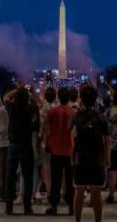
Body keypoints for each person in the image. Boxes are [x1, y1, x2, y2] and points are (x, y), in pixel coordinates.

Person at [71, 86, 110, 222]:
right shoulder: (101, 118)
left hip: (80, 157)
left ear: (81, 99)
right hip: (97, 158)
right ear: (95, 100)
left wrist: (72, 156)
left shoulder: (76, 116)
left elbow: (70, 137)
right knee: (96, 192)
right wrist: (107, 157)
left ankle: (77, 220)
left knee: (79, 191)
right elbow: (107, 140)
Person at [4, 86, 38, 215]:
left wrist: (16, 90)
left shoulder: (11, 108)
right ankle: (27, 207)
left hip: (13, 146)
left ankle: (9, 206)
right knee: (27, 177)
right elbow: (36, 102)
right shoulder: (30, 109)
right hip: (26, 146)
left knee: (10, 177)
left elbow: (6, 97)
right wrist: (30, 93)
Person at [44, 88, 76, 216]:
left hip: (55, 149)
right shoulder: (73, 112)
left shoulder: (52, 111)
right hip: (69, 150)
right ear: (68, 98)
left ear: (59, 96)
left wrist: (46, 143)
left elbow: (47, 129)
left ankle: (54, 205)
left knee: (56, 179)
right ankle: (71, 206)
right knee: (69, 180)